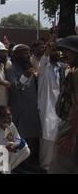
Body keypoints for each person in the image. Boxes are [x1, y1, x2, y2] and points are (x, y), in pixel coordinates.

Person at [6, 44, 41, 170]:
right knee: (20, 136)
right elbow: (16, 88)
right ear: (17, 55)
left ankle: (29, 161)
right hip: (19, 108)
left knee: (32, 135)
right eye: (25, 53)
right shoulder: (11, 69)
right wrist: (25, 76)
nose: (28, 56)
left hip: (32, 107)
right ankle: (18, 164)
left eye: (28, 53)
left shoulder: (30, 67)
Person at [49, 35, 78, 173]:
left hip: (71, 127)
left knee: (60, 166)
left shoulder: (76, 74)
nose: (64, 54)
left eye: (68, 51)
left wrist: (71, 136)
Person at [37, 40, 65, 171]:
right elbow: (43, 62)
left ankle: (53, 164)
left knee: (56, 136)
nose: (57, 53)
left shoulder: (60, 68)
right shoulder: (44, 67)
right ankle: (44, 165)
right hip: (46, 106)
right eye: (54, 51)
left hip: (58, 107)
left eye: (58, 51)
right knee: (47, 137)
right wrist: (48, 50)